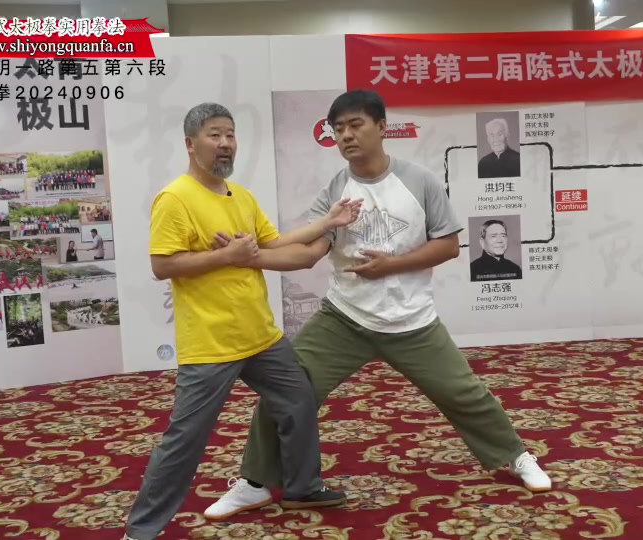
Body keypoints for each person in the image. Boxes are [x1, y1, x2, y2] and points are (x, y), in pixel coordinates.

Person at [204, 89, 552, 520]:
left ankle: (516, 456)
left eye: (356, 125)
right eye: (338, 129)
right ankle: (254, 482)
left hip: (411, 321)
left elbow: (448, 246)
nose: (346, 136)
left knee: (463, 392)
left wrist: (393, 266)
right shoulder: (336, 189)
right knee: (287, 390)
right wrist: (251, 257)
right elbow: (309, 252)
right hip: (344, 318)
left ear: (382, 127)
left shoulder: (419, 181)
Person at [122, 102, 355, 540]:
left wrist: (329, 221)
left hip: (260, 336)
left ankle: (302, 487)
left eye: (230, 134)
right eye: (214, 134)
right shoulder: (175, 198)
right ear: (190, 144)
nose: (225, 143)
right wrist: (226, 256)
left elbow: (275, 242)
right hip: (210, 343)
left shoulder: (242, 197)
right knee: (186, 439)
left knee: (298, 400)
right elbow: (162, 264)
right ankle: (140, 532)